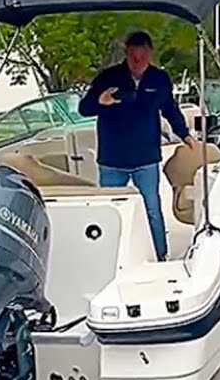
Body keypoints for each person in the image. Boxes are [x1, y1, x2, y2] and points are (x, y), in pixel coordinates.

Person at [79, 31, 196, 261]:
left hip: (146, 157)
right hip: (112, 159)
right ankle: (108, 257)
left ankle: (160, 254)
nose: (137, 62)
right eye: (133, 57)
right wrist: (99, 102)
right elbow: (84, 108)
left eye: (141, 57)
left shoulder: (159, 79)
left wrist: (185, 135)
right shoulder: (108, 77)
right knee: (111, 210)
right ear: (126, 54)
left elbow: (170, 109)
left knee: (152, 208)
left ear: (150, 54)